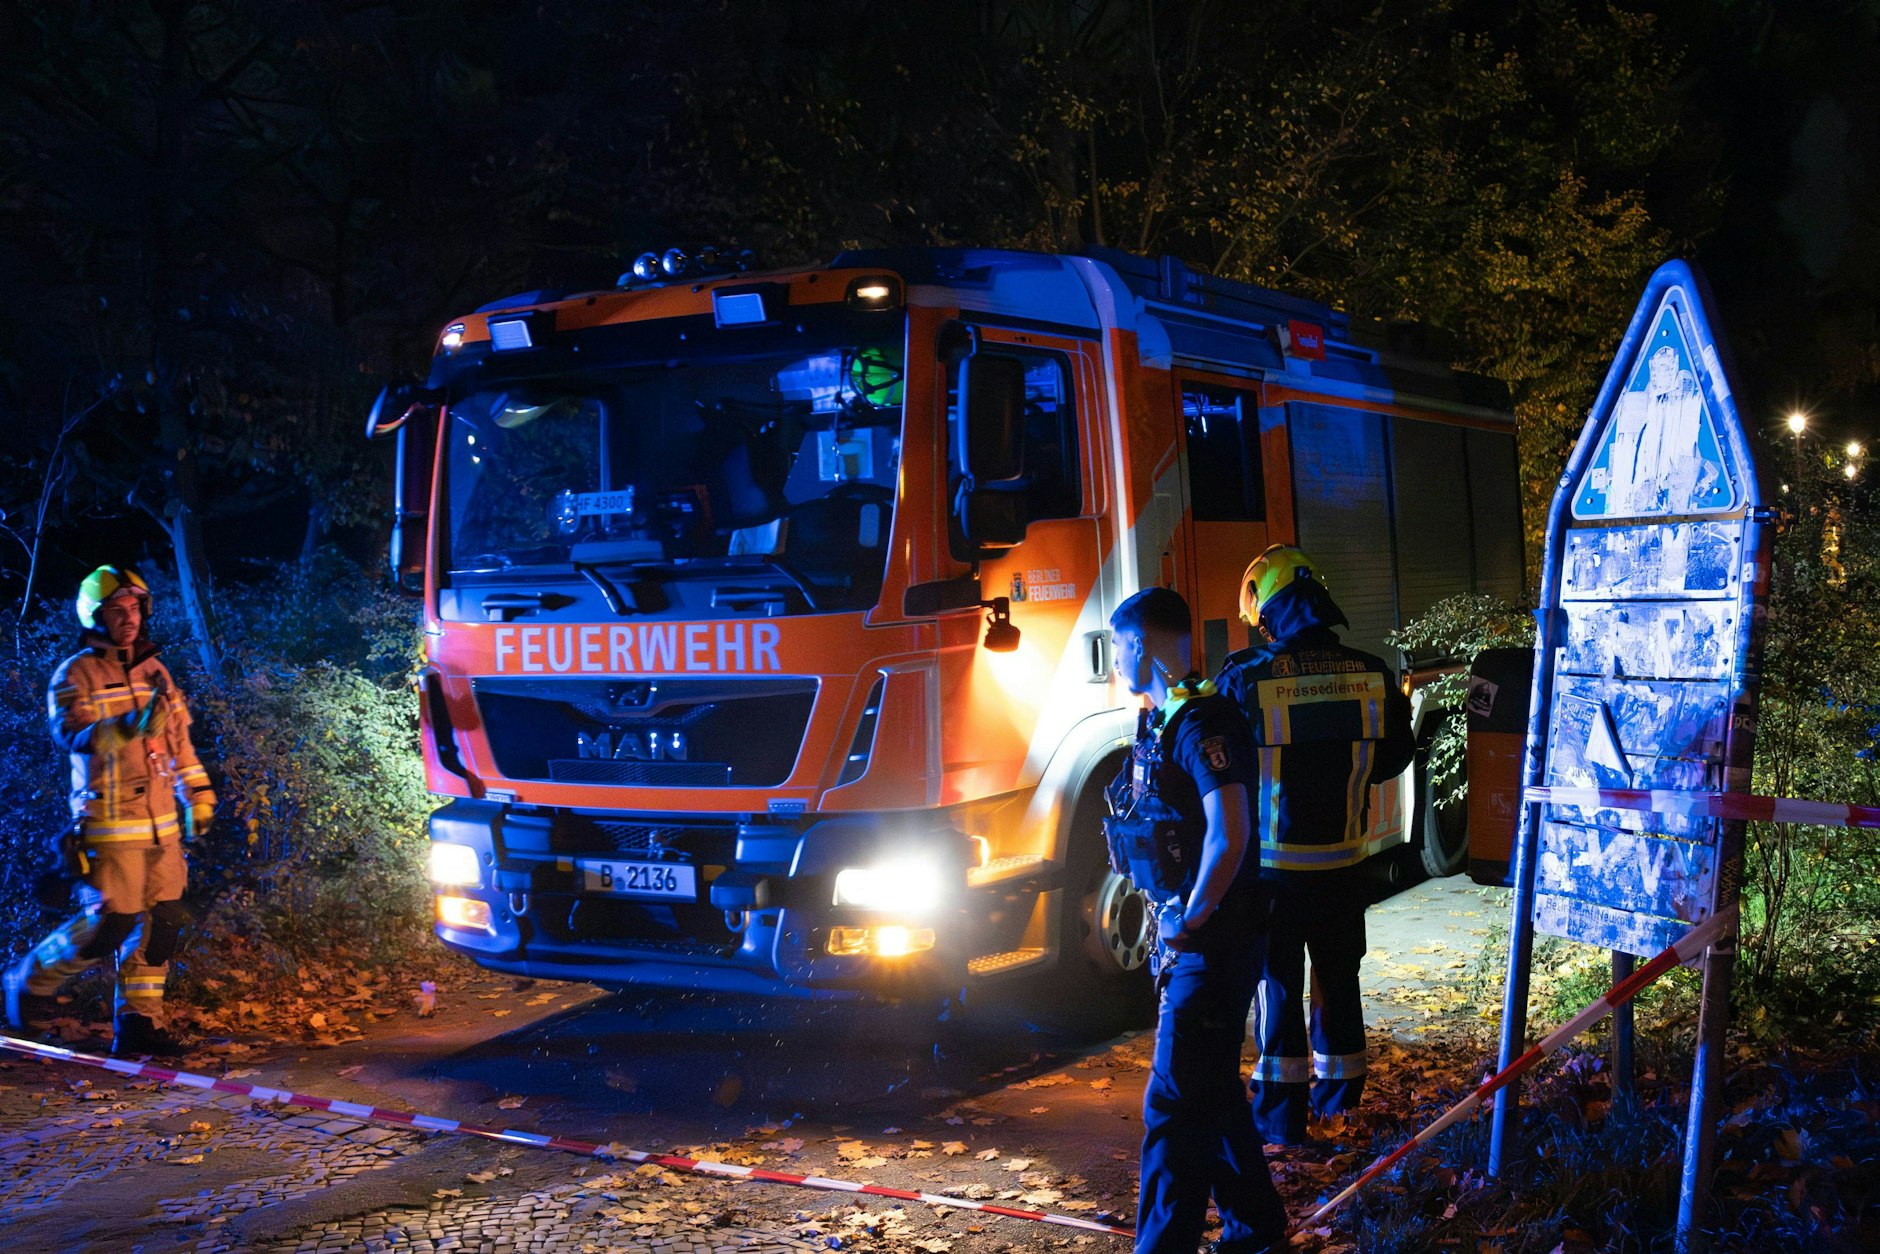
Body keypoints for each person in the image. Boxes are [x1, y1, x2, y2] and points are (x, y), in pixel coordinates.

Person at [1105, 586, 1286, 1254]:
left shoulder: (1202, 724)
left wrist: (1193, 918)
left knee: (1174, 1107)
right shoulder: (1162, 721)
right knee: (1212, 1092)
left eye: (1117, 642)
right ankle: (1257, 1230)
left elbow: (1229, 832)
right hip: (1194, 940)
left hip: (1213, 943)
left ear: (1141, 643)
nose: (1114, 656)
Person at [1217, 546, 1413, 1146]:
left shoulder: (1245, 676)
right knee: (1339, 979)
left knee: (1276, 986)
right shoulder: (1371, 672)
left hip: (1272, 872)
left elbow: (1221, 768)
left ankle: (1281, 1118)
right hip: (1345, 866)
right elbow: (1396, 757)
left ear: (1270, 612)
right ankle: (1341, 1108)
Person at [3, 566, 215, 1056]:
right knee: (109, 922)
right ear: (96, 616)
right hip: (110, 824)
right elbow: (71, 735)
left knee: (161, 924)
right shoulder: (75, 674)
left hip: (162, 826)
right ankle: (26, 983)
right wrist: (127, 725)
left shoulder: (157, 672)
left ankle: (140, 1024)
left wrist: (198, 797)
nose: (129, 619)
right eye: (117, 611)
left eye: (136, 608)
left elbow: (180, 744)